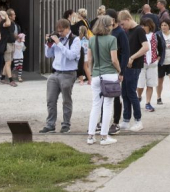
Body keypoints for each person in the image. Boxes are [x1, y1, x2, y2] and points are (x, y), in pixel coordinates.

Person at [40, 19, 81, 133]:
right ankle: (50, 125)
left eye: (61, 31)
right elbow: (48, 55)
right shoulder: (57, 38)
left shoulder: (75, 40)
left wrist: (58, 43)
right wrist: (48, 44)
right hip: (55, 73)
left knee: (66, 100)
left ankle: (66, 125)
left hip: (68, 73)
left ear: (68, 28)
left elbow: (71, 56)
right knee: (50, 100)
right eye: (58, 31)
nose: (59, 33)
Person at [86, 15, 121, 146]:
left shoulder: (92, 39)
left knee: (95, 105)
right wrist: (119, 70)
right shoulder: (112, 39)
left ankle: (90, 136)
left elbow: (89, 60)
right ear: (108, 26)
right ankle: (104, 136)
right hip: (109, 75)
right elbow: (114, 59)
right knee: (107, 106)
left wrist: (91, 73)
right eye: (111, 25)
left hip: (96, 75)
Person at [118, 10, 149, 132]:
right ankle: (126, 119)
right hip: (126, 66)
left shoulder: (139, 30)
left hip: (134, 66)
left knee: (131, 93)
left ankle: (138, 120)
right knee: (124, 93)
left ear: (127, 19)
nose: (122, 26)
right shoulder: (128, 31)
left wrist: (132, 57)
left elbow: (146, 47)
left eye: (122, 24)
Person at [137, 18, 160, 112]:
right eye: (141, 25)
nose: (142, 27)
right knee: (140, 84)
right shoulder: (138, 35)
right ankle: (138, 97)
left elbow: (161, 48)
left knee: (150, 84)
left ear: (149, 26)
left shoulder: (155, 36)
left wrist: (158, 58)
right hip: (141, 63)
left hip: (152, 63)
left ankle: (148, 103)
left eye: (144, 26)